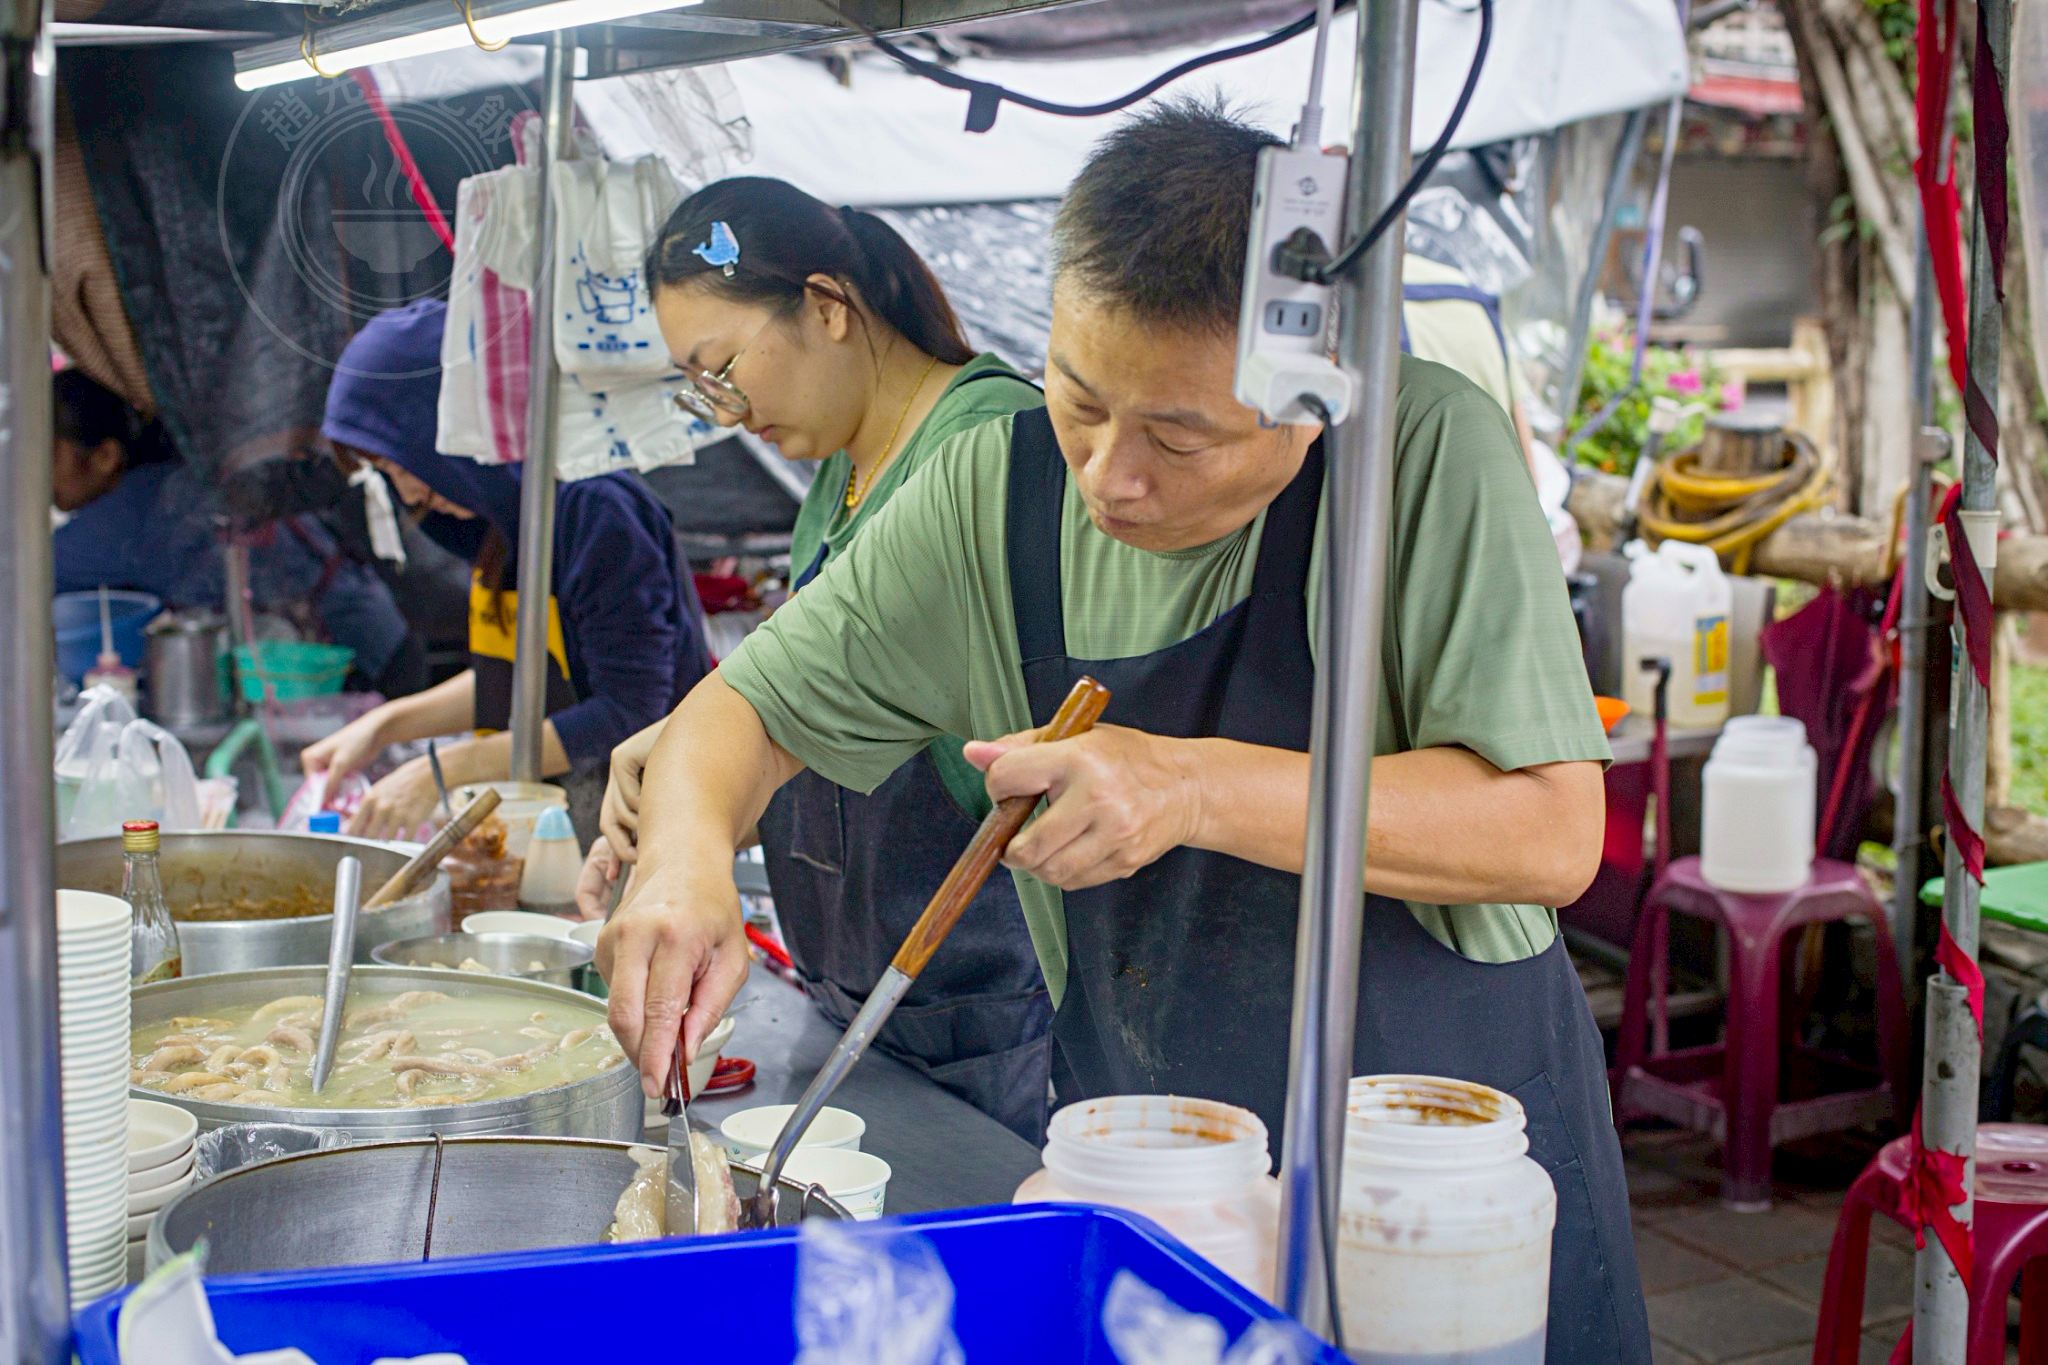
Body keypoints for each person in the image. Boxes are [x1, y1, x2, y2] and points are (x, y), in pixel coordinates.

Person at [600, 100, 1649, 1359]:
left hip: (1430, 1171)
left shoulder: (1418, 455)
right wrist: (682, 862)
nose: (1110, 473)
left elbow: (1546, 829)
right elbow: (743, 710)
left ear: (1314, 397)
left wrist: (1189, 787)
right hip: (1150, 1172)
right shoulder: (995, 488)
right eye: (1080, 397)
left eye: (1178, 433)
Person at [582, 176, 1052, 1140]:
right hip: (865, 982)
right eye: (697, 386)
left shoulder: (985, 445)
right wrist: (684, 774)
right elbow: (833, 679)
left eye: (723, 369)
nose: (722, 411)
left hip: (975, 991)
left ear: (828, 306)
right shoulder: (838, 475)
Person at [303, 299, 710, 844]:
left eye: (405, 466)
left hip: (648, 825)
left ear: (449, 428)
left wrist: (442, 770)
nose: (410, 494)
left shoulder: (595, 509)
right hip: (558, 827)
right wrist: (386, 727)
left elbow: (626, 713)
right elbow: (526, 678)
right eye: (386, 475)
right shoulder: (505, 524)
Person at [51, 367, 416, 696]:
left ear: (106, 455)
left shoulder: (134, 509)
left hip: (356, 667)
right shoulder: (175, 477)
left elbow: (27, 581)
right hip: (379, 640)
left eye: (48, 454)